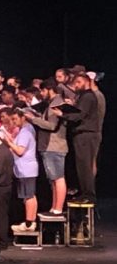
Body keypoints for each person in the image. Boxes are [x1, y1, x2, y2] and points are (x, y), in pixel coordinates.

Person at [28, 79, 68, 216]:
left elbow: (51, 126)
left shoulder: (56, 103)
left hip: (54, 145)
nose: (42, 94)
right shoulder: (51, 103)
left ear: (49, 89)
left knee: (58, 177)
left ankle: (58, 208)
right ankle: (54, 207)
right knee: (53, 179)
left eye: (43, 91)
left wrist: (32, 119)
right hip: (49, 146)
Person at [61, 72, 100, 203]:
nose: (76, 85)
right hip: (82, 134)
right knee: (81, 165)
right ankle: (85, 193)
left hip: (86, 135)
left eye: (78, 82)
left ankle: (89, 195)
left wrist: (62, 113)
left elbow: (79, 115)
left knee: (85, 165)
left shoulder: (88, 96)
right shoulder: (83, 97)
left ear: (86, 81)